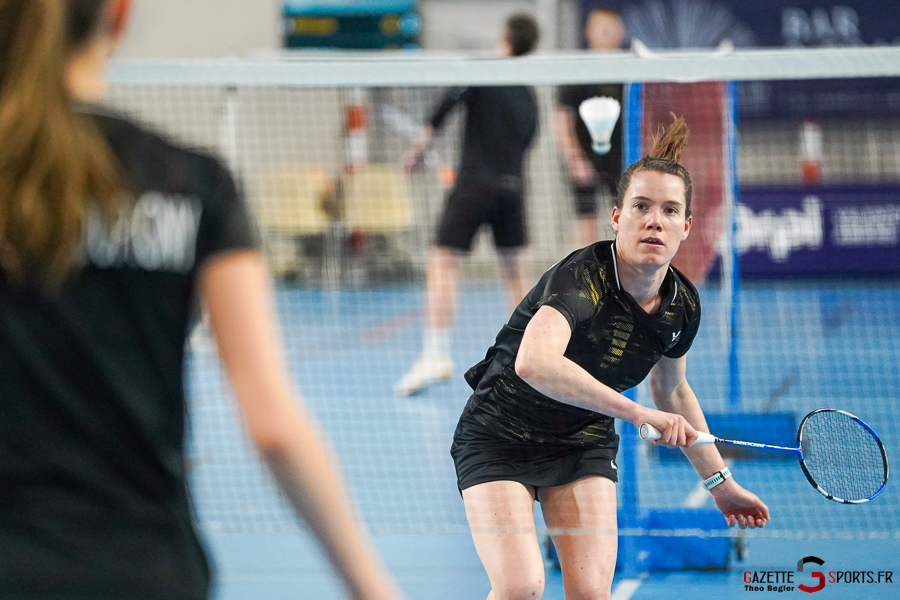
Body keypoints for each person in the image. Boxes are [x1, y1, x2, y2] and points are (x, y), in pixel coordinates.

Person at [0, 2, 406, 599]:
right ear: (119, 15)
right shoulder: (190, 181)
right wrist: (373, 589)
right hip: (144, 569)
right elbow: (273, 426)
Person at [451, 116, 769, 600]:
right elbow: (534, 362)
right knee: (520, 586)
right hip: (499, 436)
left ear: (686, 227)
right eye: (641, 206)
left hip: (581, 446)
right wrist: (638, 413)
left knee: (591, 593)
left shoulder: (681, 306)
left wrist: (720, 483)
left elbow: (673, 390)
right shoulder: (582, 279)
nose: (654, 220)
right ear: (617, 217)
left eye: (669, 210)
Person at [395, 13, 540, 396]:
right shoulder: (529, 95)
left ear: (505, 37)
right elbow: (526, 143)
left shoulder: (482, 71)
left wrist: (416, 154)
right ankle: (529, 359)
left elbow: (442, 111)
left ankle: (435, 353)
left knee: (443, 263)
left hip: (473, 187)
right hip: (513, 190)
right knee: (516, 276)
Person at [553, 7, 626, 248]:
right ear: (589, 32)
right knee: (586, 221)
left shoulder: (630, 72)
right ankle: (583, 270)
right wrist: (575, 159)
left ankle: (625, 269)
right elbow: (561, 119)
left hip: (622, 161)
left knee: (628, 218)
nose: (607, 34)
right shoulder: (577, 71)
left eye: (611, 29)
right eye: (601, 29)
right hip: (585, 160)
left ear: (620, 33)